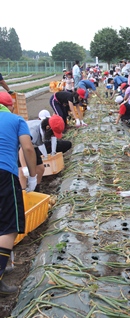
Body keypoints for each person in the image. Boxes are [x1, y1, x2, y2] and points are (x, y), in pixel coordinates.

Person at [0, 92, 37, 295]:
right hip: (3, 174)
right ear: (10, 106)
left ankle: (4, 264)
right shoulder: (16, 120)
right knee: (9, 226)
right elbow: (28, 149)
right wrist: (31, 176)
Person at [18, 115, 65, 192]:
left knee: (40, 169)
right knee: (22, 172)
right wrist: (24, 167)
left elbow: (32, 149)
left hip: (31, 145)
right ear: (47, 127)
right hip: (17, 145)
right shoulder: (33, 132)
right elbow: (23, 149)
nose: (52, 136)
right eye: (53, 134)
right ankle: (23, 195)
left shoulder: (43, 130)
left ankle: (36, 191)